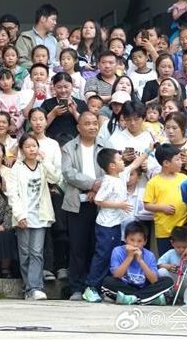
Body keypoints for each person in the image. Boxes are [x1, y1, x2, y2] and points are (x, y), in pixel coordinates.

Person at [79, 147, 149, 302]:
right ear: (112, 166)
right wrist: (119, 205)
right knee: (102, 255)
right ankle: (91, 287)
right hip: (106, 225)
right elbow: (99, 200)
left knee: (112, 255)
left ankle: (105, 288)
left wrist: (149, 150)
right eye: (119, 159)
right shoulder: (108, 181)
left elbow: (135, 164)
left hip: (116, 224)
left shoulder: (121, 175)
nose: (123, 161)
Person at [61, 111, 112, 300]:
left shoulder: (105, 145)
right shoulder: (69, 147)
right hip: (77, 204)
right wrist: (93, 184)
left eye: (94, 123)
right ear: (79, 127)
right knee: (77, 247)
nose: (92, 127)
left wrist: (97, 189)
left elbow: (111, 171)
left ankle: (95, 286)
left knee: (97, 246)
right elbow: (69, 173)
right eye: (87, 123)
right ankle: (76, 287)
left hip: (101, 203)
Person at [7, 134, 60, 301]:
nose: (32, 149)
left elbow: (55, 178)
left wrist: (45, 160)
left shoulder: (42, 165)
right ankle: (28, 288)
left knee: (37, 252)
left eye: (34, 146)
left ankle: (35, 287)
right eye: (28, 146)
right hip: (23, 215)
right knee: (25, 253)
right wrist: (20, 215)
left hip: (41, 215)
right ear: (22, 150)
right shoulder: (16, 168)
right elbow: (12, 194)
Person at [101, 221, 174, 305]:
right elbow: (116, 276)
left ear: (145, 242)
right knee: (107, 282)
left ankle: (132, 298)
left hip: (144, 287)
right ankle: (145, 299)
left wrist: (140, 261)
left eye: (139, 241)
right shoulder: (117, 251)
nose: (135, 244)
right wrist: (129, 257)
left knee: (168, 281)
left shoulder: (150, 255)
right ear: (125, 239)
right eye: (132, 240)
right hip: (124, 287)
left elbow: (154, 280)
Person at [143, 144, 187, 255]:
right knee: (166, 258)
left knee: (184, 258)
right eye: (177, 159)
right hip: (164, 231)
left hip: (183, 228)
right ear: (166, 163)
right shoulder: (153, 182)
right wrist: (162, 208)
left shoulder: (184, 178)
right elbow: (147, 205)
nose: (181, 162)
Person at [15, 4, 58, 68]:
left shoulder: (53, 39)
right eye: (53, 19)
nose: (55, 23)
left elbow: (57, 61)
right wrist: (39, 68)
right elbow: (21, 61)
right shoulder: (25, 37)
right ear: (43, 19)